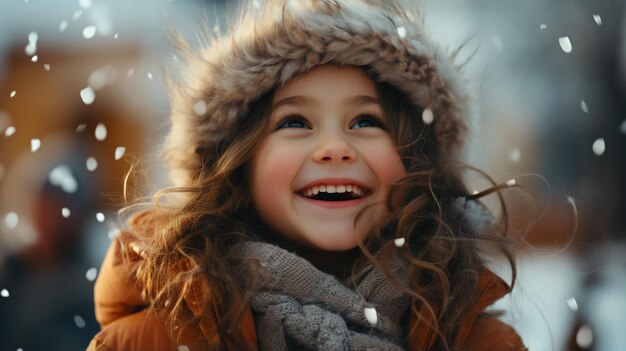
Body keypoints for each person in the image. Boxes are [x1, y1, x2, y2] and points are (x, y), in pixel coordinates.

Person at [87, 0, 527, 350]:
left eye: (365, 121)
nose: (334, 148)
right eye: (295, 122)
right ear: (240, 164)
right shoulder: (149, 341)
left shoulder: (478, 343)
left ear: (415, 162)